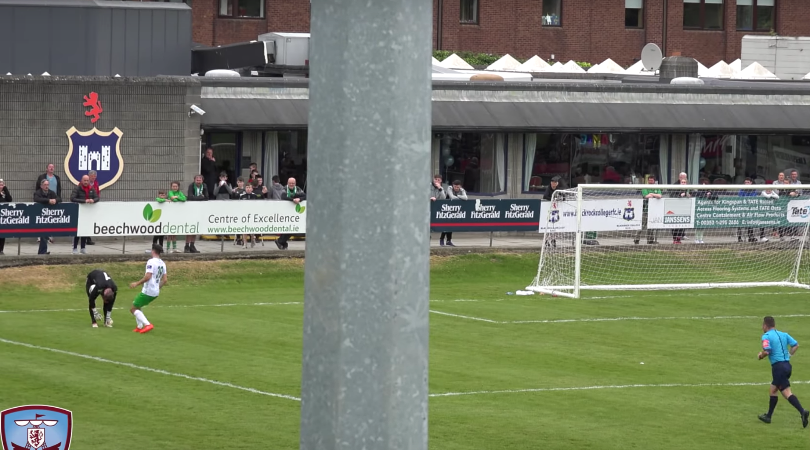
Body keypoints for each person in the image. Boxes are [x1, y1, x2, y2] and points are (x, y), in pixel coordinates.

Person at [758, 316, 810, 427]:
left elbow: (767, 351)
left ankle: (802, 411)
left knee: (786, 393)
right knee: (773, 390)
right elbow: (796, 345)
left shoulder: (766, 336)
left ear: (765, 325)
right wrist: (789, 355)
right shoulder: (784, 334)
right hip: (787, 366)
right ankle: (768, 416)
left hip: (778, 368)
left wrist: (760, 356)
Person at [128, 244, 168, 334]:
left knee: (133, 309)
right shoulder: (162, 263)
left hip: (148, 290)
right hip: (155, 292)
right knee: (138, 305)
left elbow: (148, 277)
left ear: (153, 251)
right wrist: (157, 288)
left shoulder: (151, 262)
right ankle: (139, 326)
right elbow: (165, 280)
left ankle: (147, 324)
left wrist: (136, 283)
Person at [70, 175, 100, 254]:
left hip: (87, 213)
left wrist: (93, 200)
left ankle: (83, 248)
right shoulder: (77, 188)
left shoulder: (91, 189)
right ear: (81, 180)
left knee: (84, 231)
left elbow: (97, 197)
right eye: (84, 180)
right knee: (77, 232)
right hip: (78, 212)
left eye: (87, 180)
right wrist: (84, 201)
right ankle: (75, 248)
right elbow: (72, 198)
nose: (86, 182)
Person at [276, 177, 306, 250]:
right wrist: (293, 200)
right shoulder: (284, 189)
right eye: (290, 183)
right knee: (287, 227)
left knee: (292, 228)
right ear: (287, 183)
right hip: (285, 212)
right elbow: (283, 197)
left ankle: (281, 241)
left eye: (293, 183)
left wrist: (300, 199)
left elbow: (305, 196)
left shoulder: (298, 189)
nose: (291, 184)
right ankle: (281, 242)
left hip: (295, 213)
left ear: (295, 183)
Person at [33, 179, 61, 255]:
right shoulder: (38, 192)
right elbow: (37, 199)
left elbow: (59, 198)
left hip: (48, 215)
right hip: (40, 216)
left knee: (45, 234)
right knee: (43, 234)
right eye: (45, 185)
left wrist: (55, 200)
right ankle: (42, 251)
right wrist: (48, 200)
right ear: (41, 186)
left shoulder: (51, 192)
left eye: (47, 185)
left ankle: (42, 251)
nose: (46, 186)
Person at [157, 182, 186, 253]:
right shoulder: (170, 192)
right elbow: (173, 199)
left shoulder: (180, 193)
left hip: (176, 214)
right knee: (170, 233)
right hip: (170, 214)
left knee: (174, 233)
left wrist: (177, 197)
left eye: (176, 186)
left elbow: (184, 198)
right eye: (173, 186)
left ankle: (174, 248)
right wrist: (176, 198)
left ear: (178, 187)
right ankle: (168, 248)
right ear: (171, 187)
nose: (175, 187)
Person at [634, 176, 662, 245]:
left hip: (653, 210)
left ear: (654, 181)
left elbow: (660, 196)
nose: (650, 182)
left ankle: (650, 240)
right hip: (645, 209)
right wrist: (653, 195)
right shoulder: (645, 187)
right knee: (642, 225)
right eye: (649, 180)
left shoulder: (656, 188)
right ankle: (636, 239)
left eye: (652, 180)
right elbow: (646, 196)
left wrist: (652, 194)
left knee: (651, 225)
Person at [440, 180, 467, 247]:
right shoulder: (449, 188)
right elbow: (452, 197)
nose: (456, 188)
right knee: (445, 225)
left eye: (457, 187)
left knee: (451, 225)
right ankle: (441, 239)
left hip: (454, 209)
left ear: (460, 186)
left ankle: (449, 240)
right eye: (455, 186)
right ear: (452, 185)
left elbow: (466, 198)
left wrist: (458, 196)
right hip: (446, 208)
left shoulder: (462, 190)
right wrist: (460, 197)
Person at [185, 175, 208, 253]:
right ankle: (186, 245)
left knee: (196, 228)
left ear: (202, 181)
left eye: (200, 180)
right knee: (190, 228)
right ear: (194, 180)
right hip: (191, 209)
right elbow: (190, 197)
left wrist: (199, 197)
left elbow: (207, 197)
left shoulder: (204, 186)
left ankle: (192, 245)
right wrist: (201, 197)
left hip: (199, 209)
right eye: (197, 180)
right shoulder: (191, 186)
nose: (198, 181)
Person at [670, 178, 689, 244]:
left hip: (684, 210)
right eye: (682, 182)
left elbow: (694, 194)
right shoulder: (676, 189)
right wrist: (680, 195)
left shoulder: (688, 190)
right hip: (675, 209)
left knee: (682, 224)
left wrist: (688, 195)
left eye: (684, 182)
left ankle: (679, 238)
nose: (683, 183)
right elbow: (672, 196)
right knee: (675, 224)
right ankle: (675, 238)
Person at [0, 179, 11, 256]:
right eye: (0, 184)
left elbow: (9, 199)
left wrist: (6, 189)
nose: (1, 186)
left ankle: (1, 249)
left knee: (2, 233)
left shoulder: (4, 192)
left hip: (3, 215)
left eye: (2, 184)